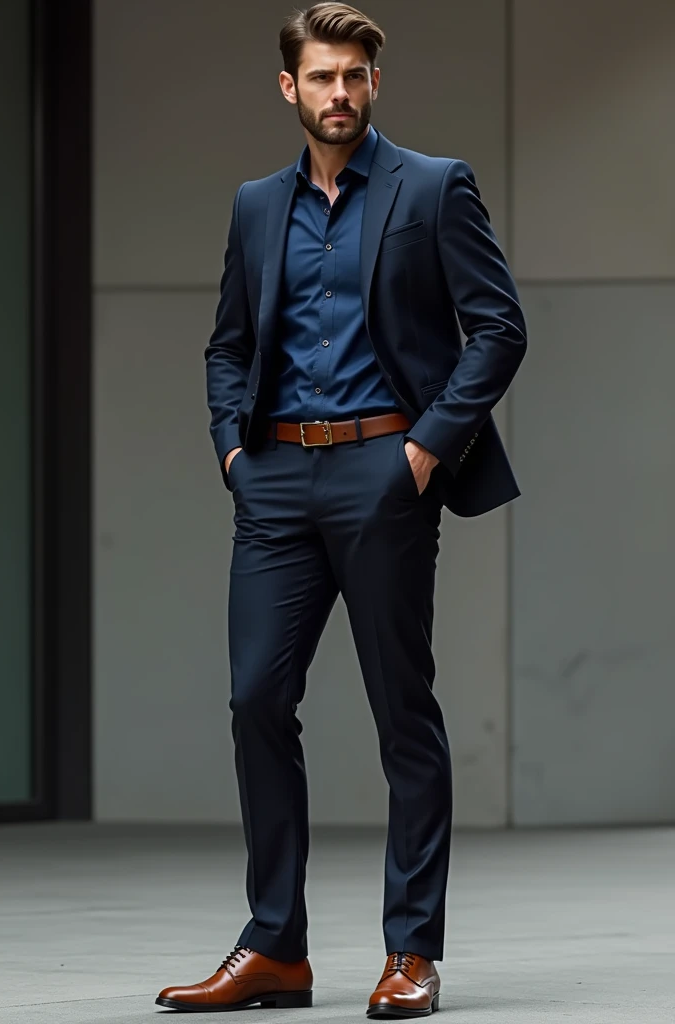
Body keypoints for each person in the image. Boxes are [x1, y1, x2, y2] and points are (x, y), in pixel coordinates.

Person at [156, 2, 526, 1017]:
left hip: (382, 472)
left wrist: (422, 450)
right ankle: (274, 944)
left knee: (402, 711)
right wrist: (234, 447)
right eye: (320, 77)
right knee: (256, 701)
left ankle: (412, 951)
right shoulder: (254, 204)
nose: (339, 94)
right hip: (274, 480)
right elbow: (228, 341)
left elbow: (497, 328)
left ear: (374, 81)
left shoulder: (431, 186)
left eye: (355, 75)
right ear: (290, 87)